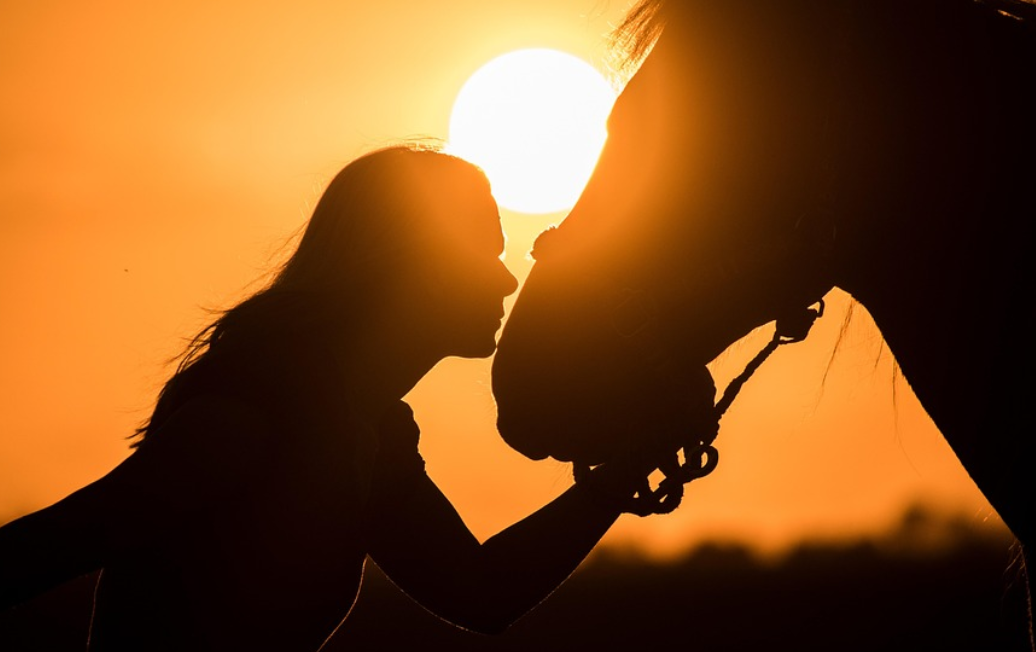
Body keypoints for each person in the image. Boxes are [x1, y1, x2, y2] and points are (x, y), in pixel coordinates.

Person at [0, 145, 696, 651]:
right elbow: (49, 548)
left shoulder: (371, 431)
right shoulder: (252, 413)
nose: (507, 284)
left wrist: (623, 474)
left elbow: (480, 593)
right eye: (485, 253)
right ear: (411, 265)